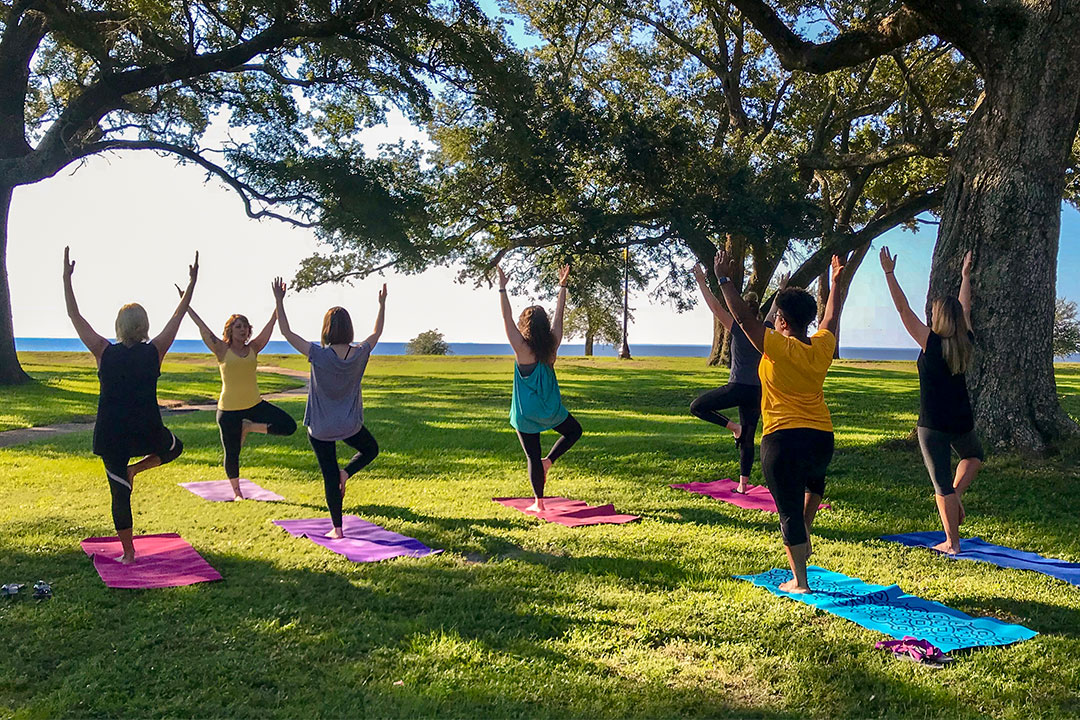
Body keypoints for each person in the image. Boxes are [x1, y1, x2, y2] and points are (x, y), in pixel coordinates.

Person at [714, 248, 844, 593]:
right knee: (813, 485)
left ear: (782, 321)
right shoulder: (821, 346)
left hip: (784, 441)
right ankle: (804, 533)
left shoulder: (778, 348)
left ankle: (800, 582)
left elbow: (744, 319)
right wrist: (836, 282)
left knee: (787, 511)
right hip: (821, 439)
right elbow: (831, 317)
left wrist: (724, 280)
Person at [63, 247, 198, 564]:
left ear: (119, 326)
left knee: (119, 492)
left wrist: (66, 280)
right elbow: (178, 316)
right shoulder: (154, 351)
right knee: (174, 448)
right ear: (144, 326)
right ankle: (134, 470)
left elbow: (74, 316)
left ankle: (128, 553)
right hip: (146, 428)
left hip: (112, 433)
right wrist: (192, 284)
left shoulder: (103, 351)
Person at [880, 247, 982, 555]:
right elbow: (965, 309)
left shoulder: (931, 342)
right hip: (961, 418)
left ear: (938, 318)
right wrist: (965, 277)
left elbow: (902, 310)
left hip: (933, 424)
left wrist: (889, 274)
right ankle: (956, 498)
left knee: (941, 485)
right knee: (973, 457)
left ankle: (952, 542)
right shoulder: (966, 340)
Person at [272, 277, 385, 538]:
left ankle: (337, 529)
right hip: (348, 425)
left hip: (321, 428)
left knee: (329, 474)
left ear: (326, 329)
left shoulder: (318, 354)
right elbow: (377, 333)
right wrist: (382, 304)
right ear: (349, 329)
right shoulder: (359, 354)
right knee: (370, 449)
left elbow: (287, 333)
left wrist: (279, 300)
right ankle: (347, 472)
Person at [180, 295, 296, 500]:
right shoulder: (221, 349)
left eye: (245, 327)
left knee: (288, 426)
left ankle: (249, 427)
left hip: (254, 405)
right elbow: (203, 329)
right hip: (229, 409)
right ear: (230, 331)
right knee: (232, 453)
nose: (243, 330)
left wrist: (279, 301)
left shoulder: (253, 348)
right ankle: (237, 493)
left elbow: (271, 324)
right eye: (238, 327)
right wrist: (186, 303)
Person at [691, 265, 787, 492]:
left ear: (743, 310)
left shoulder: (737, 327)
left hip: (737, 387)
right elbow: (775, 309)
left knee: (697, 407)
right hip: (757, 391)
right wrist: (781, 289)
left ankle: (734, 428)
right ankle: (743, 486)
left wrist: (702, 282)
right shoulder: (765, 329)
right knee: (749, 435)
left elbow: (715, 307)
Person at [497, 263, 583, 513]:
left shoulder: (521, 349)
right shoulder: (552, 346)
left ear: (525, 326)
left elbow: (506, 317)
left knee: (532, 457)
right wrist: (563, 286)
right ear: (544, 327)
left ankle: (539, 503)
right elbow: (560, 315)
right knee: (574, 431)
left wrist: (502, 289)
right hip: (550, 410)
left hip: (525, 414)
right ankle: (551, 461)